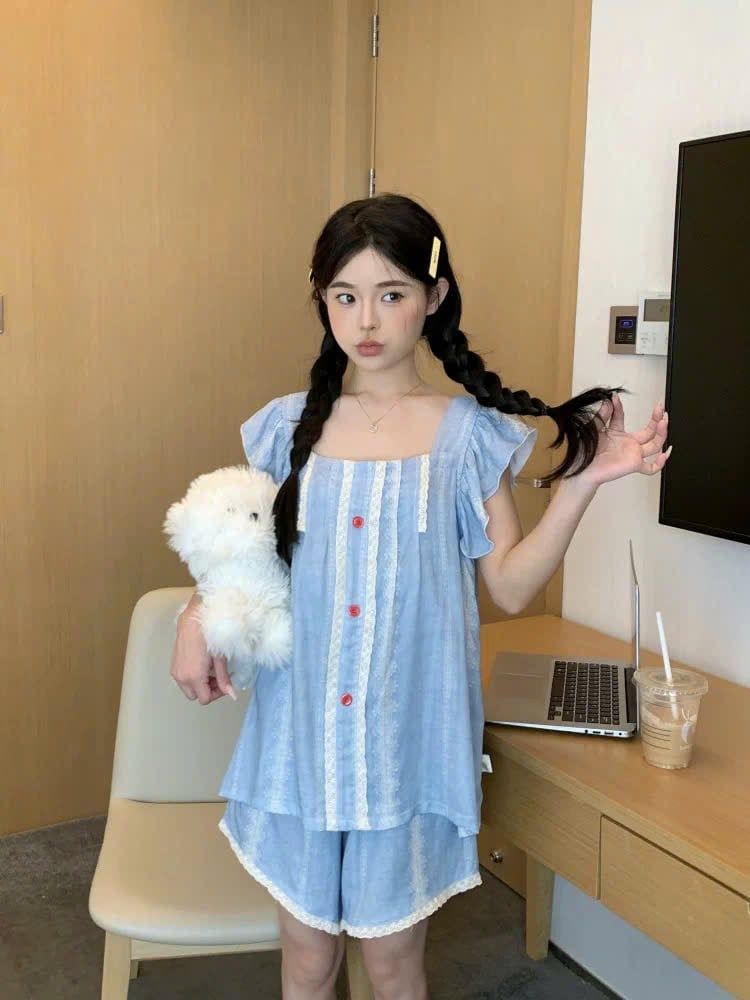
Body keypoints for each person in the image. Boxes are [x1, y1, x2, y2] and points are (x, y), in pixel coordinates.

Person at [170, 192, 671, 999]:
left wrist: (583, 486)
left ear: (434, 297)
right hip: (299, 743)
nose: (366, 320)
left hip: (405, 751)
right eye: (345, 296)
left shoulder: (468, 435)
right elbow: (240, 556)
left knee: (394, 964)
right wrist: (196, 617)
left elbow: (510, 585)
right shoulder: (285, 428)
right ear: (323, 300)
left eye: (391, 294)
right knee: (307, 958)